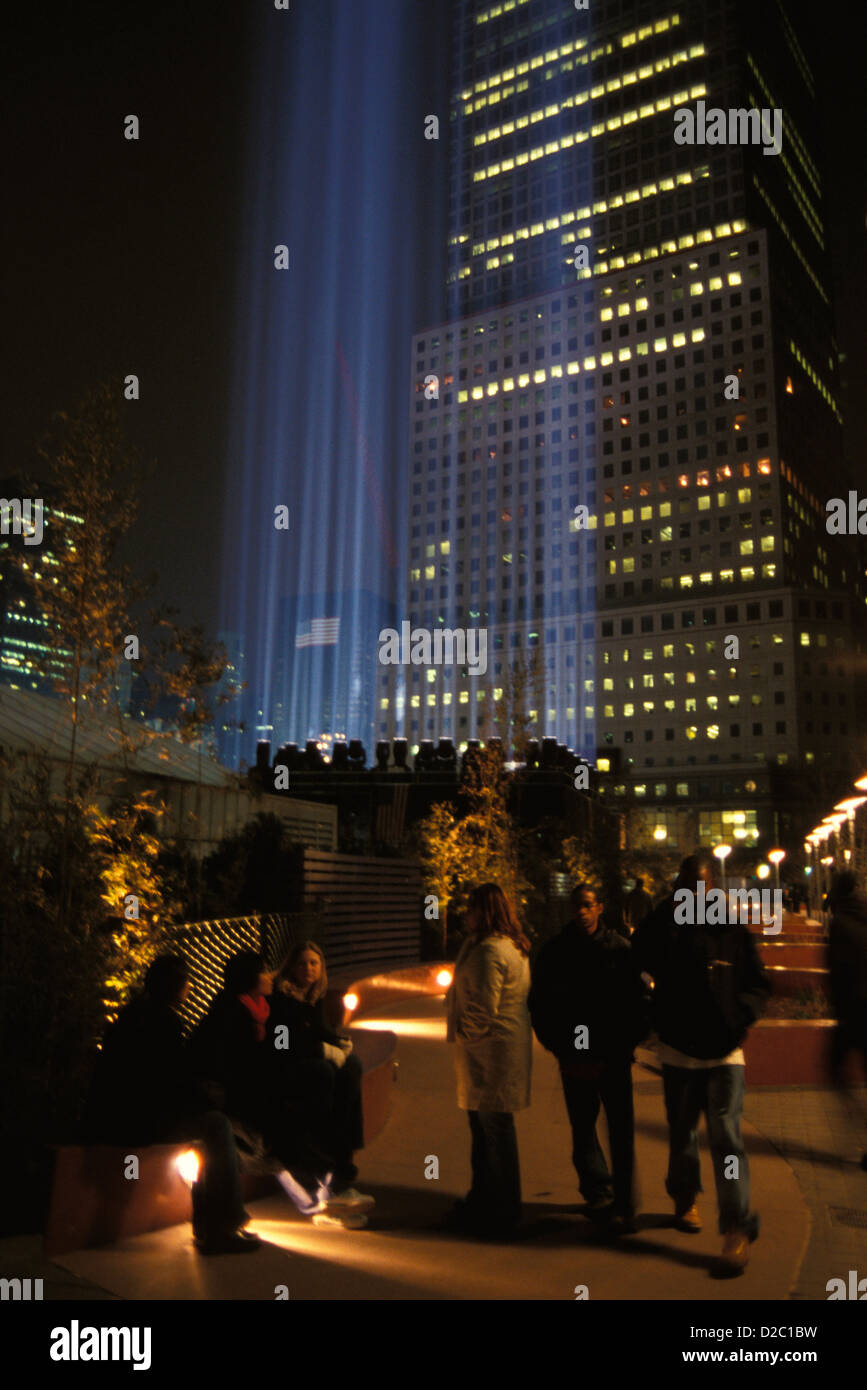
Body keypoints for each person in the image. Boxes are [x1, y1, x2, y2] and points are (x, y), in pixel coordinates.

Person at [633, 850, 770, 1274]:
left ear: (714, 888)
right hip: (678, 1051)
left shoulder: (732, 930)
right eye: (690, 884)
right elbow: (635, 962)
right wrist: (654, 1017)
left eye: (705, 884)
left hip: (725, 1054)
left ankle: (735, 1228)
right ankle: (685, 1195)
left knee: (727, 1137)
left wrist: (738, 1018)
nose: (698, 892)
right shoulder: (666, 925)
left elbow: (757, 983)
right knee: (682, 1133)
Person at [84, 953, 260, 1256]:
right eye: (186, 981)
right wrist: (208, 1097)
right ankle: (221, 1227)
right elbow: (171, 1083)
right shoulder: (163, 1022)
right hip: (137, 1121)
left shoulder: (135, 1014)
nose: (189, 987)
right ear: (174, 985)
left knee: (210, 1127)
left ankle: (211, 1225)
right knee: (216, 1126)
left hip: (120, 1115)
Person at [189, 950, 369, 1228]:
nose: (270, 976)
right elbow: (235, 1066)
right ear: (249, 977)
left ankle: (325, 1195)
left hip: (253, 1086)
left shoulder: (257, 1006)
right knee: (284, 1124)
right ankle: (328, 1195)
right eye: (263, 972)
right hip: (227, 1095)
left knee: (303, 1109)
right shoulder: (231, 1011)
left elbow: (274, 1050)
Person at [528, 883, 649, 1235]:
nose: (581, 912)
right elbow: (540, 1004)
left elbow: (640, 1002)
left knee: (621, 1131)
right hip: (575, 1057)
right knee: (583, 1129)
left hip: (612, 1057)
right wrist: (558, 1046)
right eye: (576, 906)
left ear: (600, 907)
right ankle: (598, 1193)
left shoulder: (621, 950)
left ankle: (625, 1203)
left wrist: (626, 1045)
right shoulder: (556, 951)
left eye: (587, 906)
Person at [445, 883, 532, 1238]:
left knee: (493, 1131)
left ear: (484, 911)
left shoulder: (491, 952)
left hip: (490, 1053)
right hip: (491, 1052)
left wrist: (463, 1035)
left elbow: (482, 1010)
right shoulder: (497, 945)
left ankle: (502, 1209)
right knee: (486, 1131)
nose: (466, 914)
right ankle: (485, 1199)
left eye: (471, 908)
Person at [269, 941, 372, 1212]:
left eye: (314, 963)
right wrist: (322, 1050)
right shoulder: (281, 998)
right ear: (291, 966)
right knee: (324, 1071)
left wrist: (340, 1044)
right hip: (285, 1067)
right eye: (302, 963)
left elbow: (323, 1030)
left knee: (353, 1066)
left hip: (309, 1062)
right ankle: (323, 1156)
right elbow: (283, 1045)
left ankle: (345, 1153)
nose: (308, 968)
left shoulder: (314, 996)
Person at [827, 871, 867, 1171]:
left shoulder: (839, 924)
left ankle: (856, 1122)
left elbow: (836, 972)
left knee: (837, 1074)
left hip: (853, 1013)